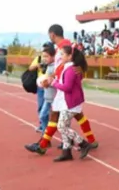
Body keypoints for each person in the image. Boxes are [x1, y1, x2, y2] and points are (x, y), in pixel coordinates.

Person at [25, 24, 99, 155]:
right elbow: (63, 67)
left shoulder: (65, 47)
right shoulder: (64, 46)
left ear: (52, 35)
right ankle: (79, 143)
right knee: (73, 114)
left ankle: (47, 145)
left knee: (58, 115)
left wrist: (53, 79)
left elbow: (74, 62)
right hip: (62, 85)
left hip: (64, 87)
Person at [46, 45, 93, 161]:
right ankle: (66, 151)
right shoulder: (68, 68)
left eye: (62, 54)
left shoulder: (71, 70)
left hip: (71, 103)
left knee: (61, 126)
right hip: (66, 102)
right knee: (64, 126)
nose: (60, 56)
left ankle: (83, 144)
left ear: (70, 56)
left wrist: (53, 83)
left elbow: (67, 87)